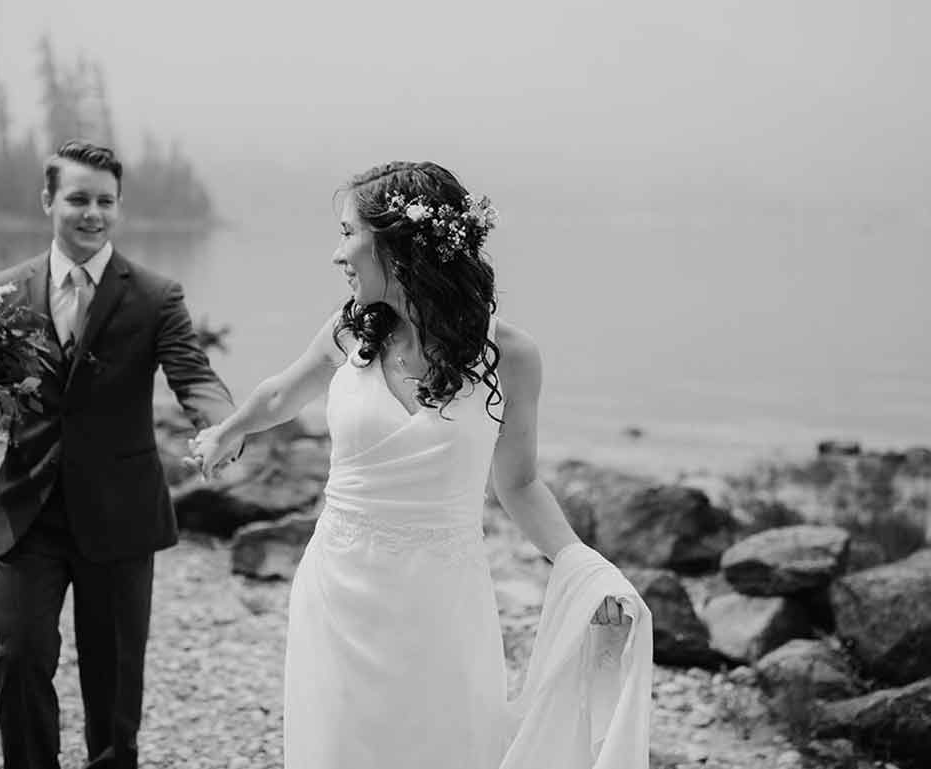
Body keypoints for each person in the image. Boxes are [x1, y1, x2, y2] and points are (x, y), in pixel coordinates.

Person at [188, 161, 653, 768]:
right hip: (338, 592)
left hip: (443, 603)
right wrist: (227, 431)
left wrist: (586, 568)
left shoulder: (511, 356)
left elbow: (518, 484)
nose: (337, 254)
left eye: (348, 233)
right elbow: (281, 394)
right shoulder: (349, 332)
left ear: (399, 246)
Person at [0, 139, 235, 769]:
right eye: (78, 199)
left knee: (114, 685)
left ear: (119, 206)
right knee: (18, 659)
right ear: (47, 200)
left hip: (121, 516)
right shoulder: (3, 291)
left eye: (105, 201)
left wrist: (222, 426)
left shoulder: (155, 295)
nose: (92, 214)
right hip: (28, 513)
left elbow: (194, 375)